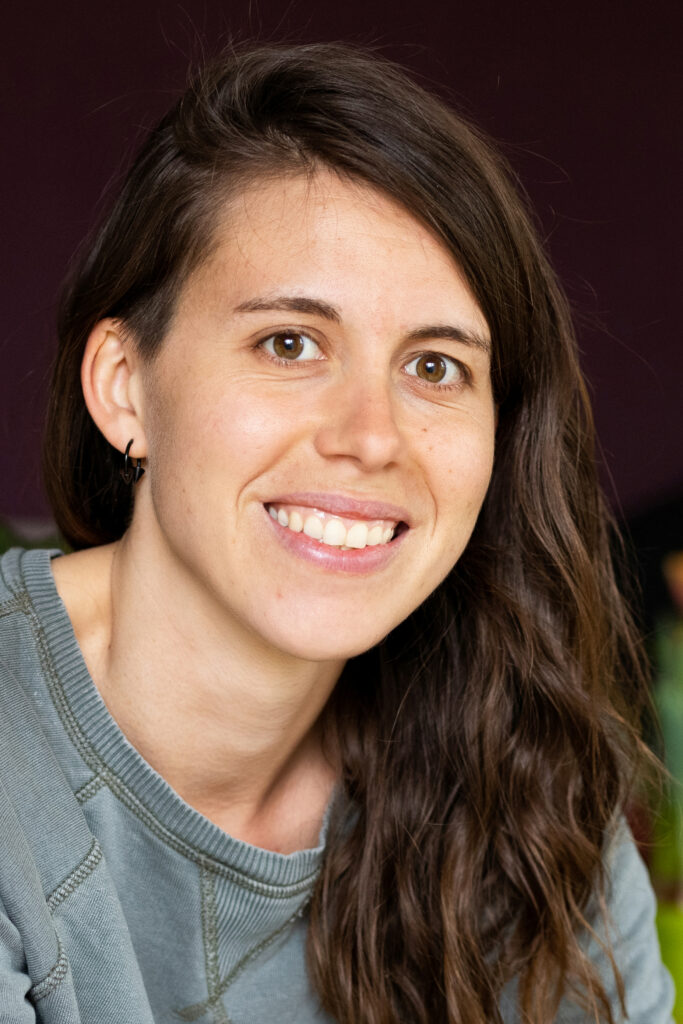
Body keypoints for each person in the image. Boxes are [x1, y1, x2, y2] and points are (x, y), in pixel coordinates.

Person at [0, 42, 674, 1024]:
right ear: (123, 385)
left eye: (435, 368)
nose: (370, 438)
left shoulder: (522, 776)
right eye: (288, 343)